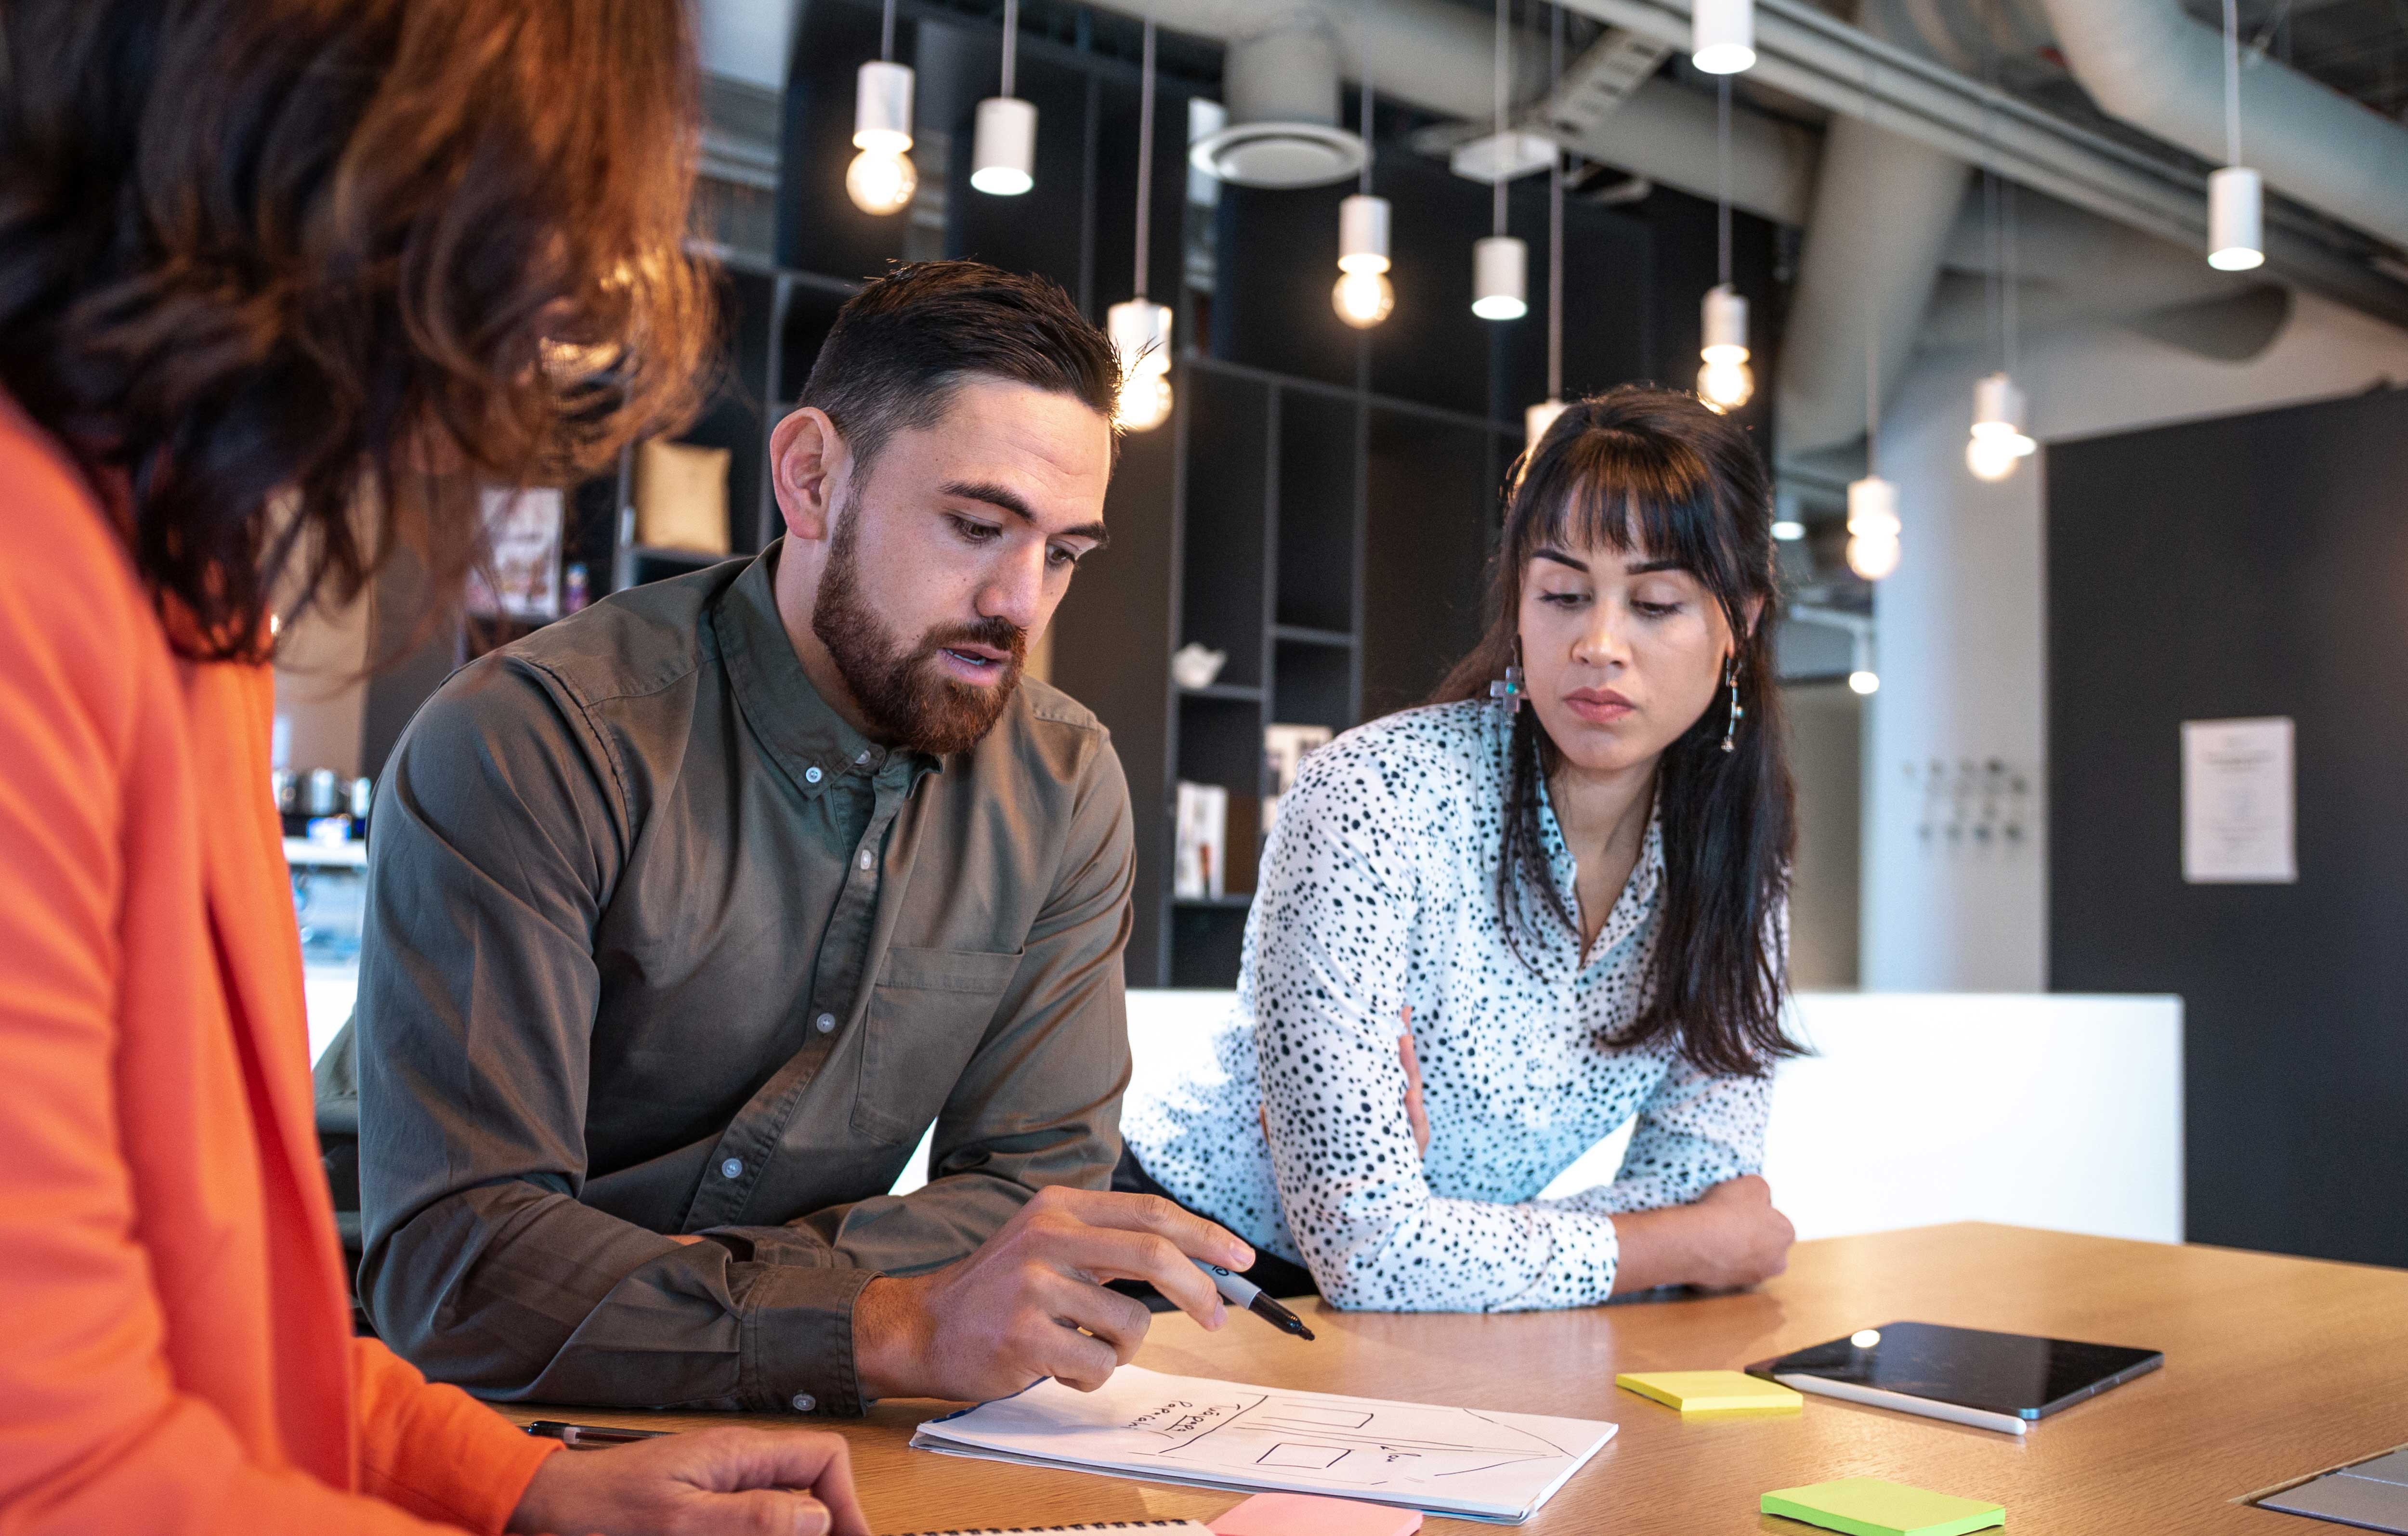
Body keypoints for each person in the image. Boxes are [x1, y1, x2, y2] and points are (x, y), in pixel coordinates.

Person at [0, 1, 868, 1532]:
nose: (534, 314)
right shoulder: (30, 572)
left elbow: (234, 1352)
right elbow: (59, 1473)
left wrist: (525, 1484)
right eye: (525, 221)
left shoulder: (187, 593)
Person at [342, 260, 1254, 1419]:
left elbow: (1031, 1201)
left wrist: (673, 1297)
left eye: (1065, 552)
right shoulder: (537, 740)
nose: (1021, 602)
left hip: (783, 1412)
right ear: (813, 476)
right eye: (977, 525)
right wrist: (886, 1318)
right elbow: (465, 1267)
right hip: (414, 1388)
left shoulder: (1064, 787)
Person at [1123, 386, 1802, 1312]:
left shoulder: (1736, 862)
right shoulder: (1374, 797)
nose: (1599, 644)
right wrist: (1681, 1244)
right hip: (1178, 1278)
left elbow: (1701, 1180)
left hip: (1448, 1320)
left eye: (1655, 602)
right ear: (1519, 601)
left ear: (1741, 622)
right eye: (1562, 593)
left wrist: (1443, 1234)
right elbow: (1368, 1251)